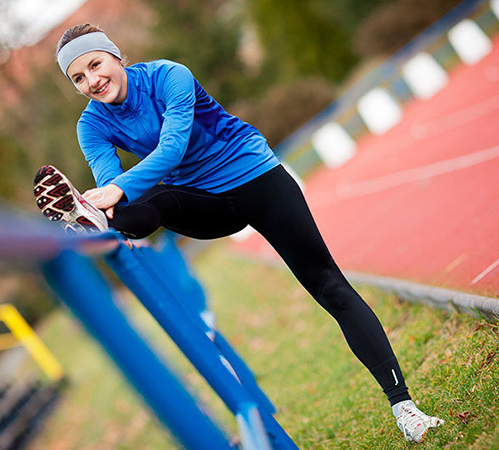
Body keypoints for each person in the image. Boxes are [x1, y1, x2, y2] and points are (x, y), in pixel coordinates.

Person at [33, 23, 444, 443]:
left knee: (330, 287)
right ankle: (93, 221)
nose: (91, 81)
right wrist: (111, 202)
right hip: (203, 203)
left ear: (115, 54)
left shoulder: (168, 75)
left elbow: (172, 147)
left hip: (256, 179)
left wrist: (116, 191)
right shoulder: (91, 126)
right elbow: (111, 183)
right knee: (135, 206)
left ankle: (404, 406)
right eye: (78, 78)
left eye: (95, 65)